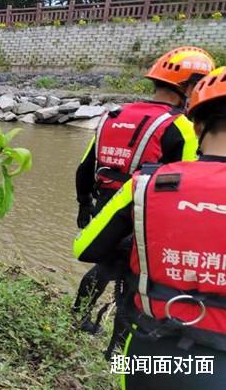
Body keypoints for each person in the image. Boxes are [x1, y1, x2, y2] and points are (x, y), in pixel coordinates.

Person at [73, 66, 226, 389]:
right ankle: (112, 350)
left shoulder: (113, 116)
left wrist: (83, 203)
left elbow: (86, 167)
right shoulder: (175, 126)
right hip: (165, 220)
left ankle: (81, 320)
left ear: (199, 122)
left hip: (130, 209)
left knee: (114, 274)